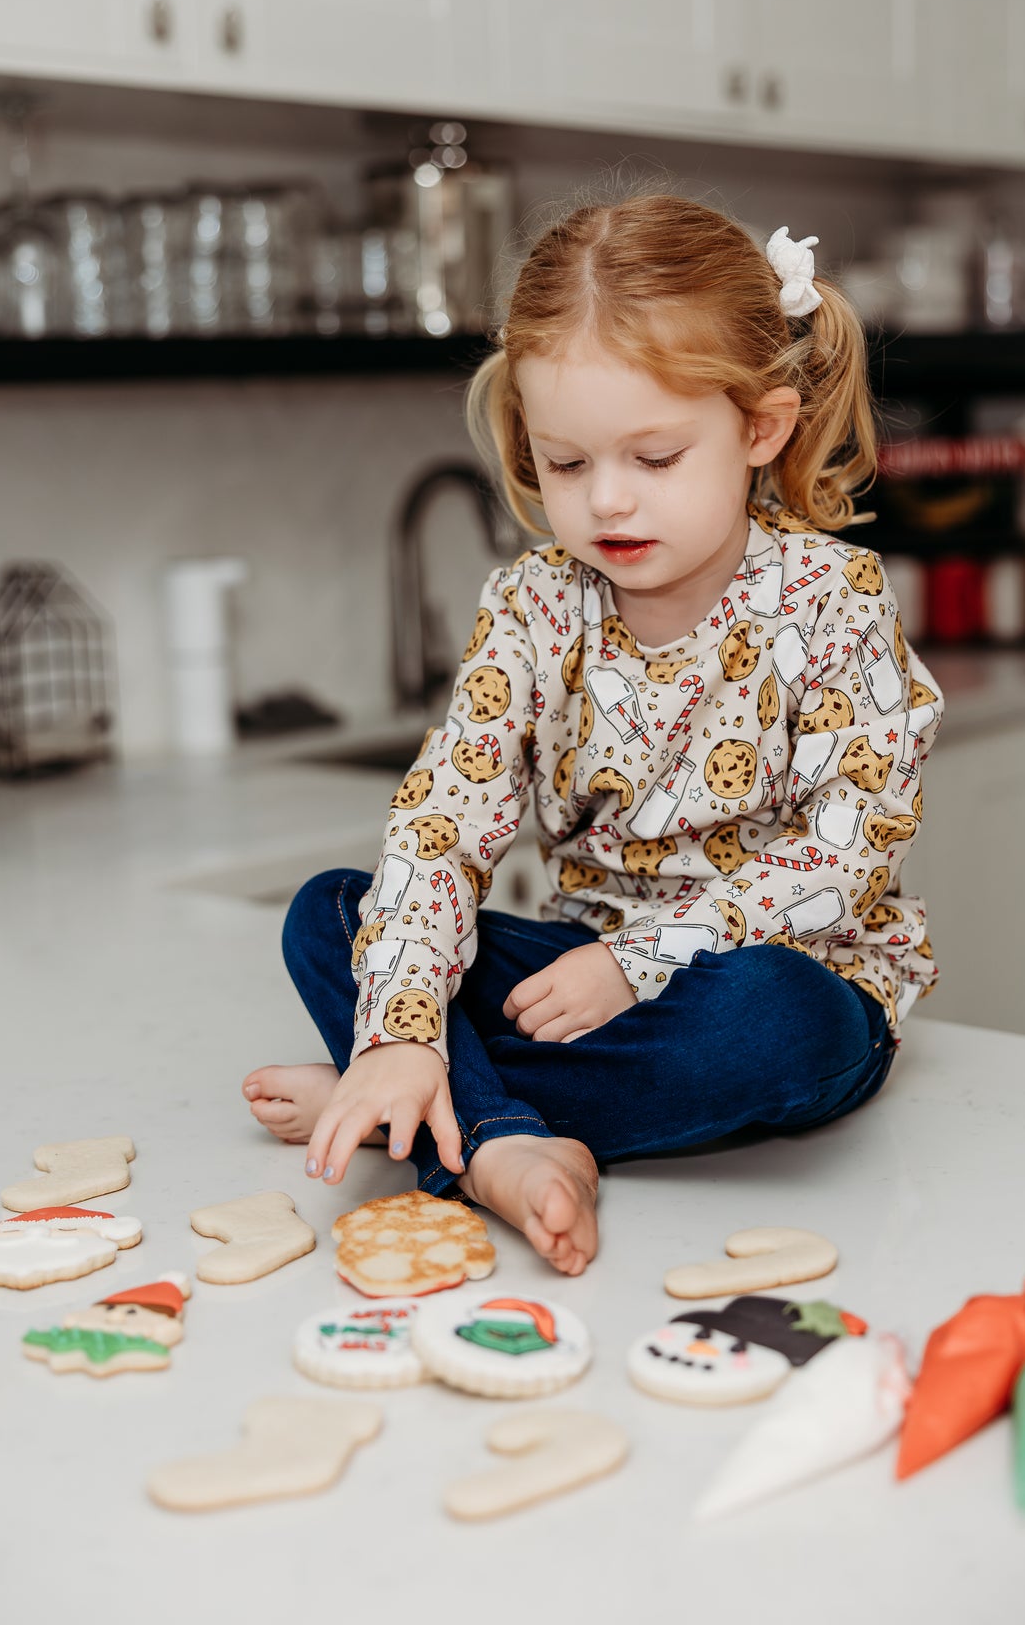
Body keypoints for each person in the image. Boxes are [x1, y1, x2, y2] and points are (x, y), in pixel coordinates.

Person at [242, 195, 942, 1277]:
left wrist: (642, 960)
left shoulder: (832, 600)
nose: (607, 502)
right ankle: (444, 1093)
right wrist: (395, 1023)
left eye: (655, 458)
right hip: (579, 976)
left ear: (760, 428)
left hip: (777, 974)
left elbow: (847, 856)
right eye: (567, 465)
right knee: (330, 911)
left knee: (781, 1023)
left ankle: (458, 1122)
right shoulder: (532, 606)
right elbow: (443, 822)